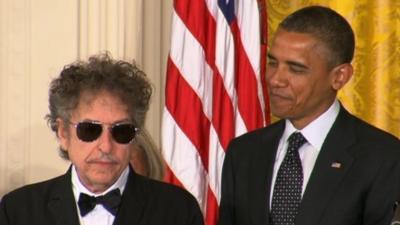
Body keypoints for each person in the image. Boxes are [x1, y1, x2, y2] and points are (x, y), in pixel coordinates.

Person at [218, 5, 400, 225]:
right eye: (273, 63)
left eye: (295, 69)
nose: (276, 79)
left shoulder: (383, 158)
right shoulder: (244, 153)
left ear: (339, 77)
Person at [0, 53, 204, 225]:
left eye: (121, 131)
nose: (106, 146)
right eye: (90, 130)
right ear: (63, 133)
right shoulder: (19, 211)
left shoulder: (178, 211)